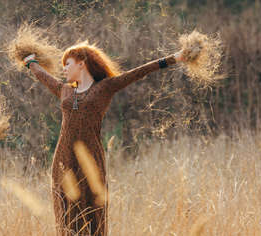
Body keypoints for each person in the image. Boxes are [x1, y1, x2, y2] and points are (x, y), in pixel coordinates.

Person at [23, 42, 184, 236]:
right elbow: (43, 77)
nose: (63, 69)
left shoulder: (106, 87)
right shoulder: (64, 89)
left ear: (82, 63)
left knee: (92, 212)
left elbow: (139, 72)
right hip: (64, 160)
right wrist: (30, 62)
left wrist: (175, 58)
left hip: (91, 160)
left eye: (68, 63)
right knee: (66, 217)